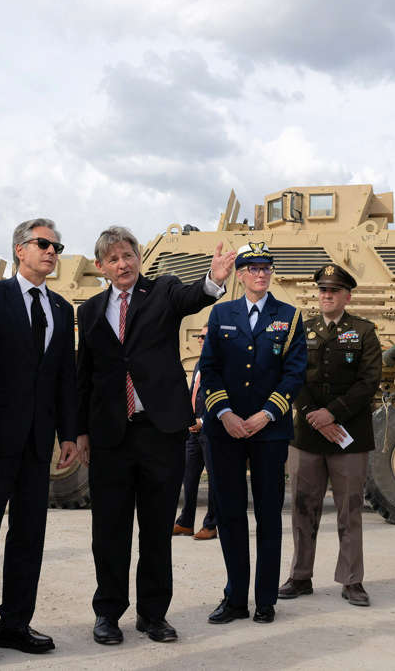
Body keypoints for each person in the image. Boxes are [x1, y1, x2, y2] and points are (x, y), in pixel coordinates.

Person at [75, 227, 233, 645]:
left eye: (128, 255)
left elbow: (193, 297)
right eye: (113, 259)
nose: (122, 264)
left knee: (157, 529)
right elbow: (84, 376)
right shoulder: (89, 311)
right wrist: (79, 432)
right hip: (110, 436)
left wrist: (214, 280)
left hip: (159, 433)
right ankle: (108, 613)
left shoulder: (163, 291)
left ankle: (153, 615)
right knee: (109, 531)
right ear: (101, 267)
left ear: (139, 257)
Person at [0, 216, 77, 661]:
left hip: (38, 443)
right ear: (20, 250)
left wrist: (68, 433)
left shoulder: (62, 309)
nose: (51, 252)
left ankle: (14, 625)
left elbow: (64, 376)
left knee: (29, 537)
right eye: (43, 244)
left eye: (56, 247)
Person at [199, 242, 306, 625]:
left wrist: (267, 414)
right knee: (230, 515)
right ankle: (234, 599)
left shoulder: (289, 317)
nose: (261, 274)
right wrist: (225, 413)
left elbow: (294, 373)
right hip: (225, 430)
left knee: (268, 516)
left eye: (266, 268)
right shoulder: (221, 313)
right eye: (253, 268)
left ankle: (265, 600)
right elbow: (208, 368)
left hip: (269, 432)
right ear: (241, 275)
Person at [278, 265, 381, 607]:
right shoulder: (302, 330)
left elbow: (369, 381)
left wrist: (332, 413)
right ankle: (300, 576)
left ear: (347, 297)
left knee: (349, 510)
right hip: (307, 436)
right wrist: (313, 414)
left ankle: (352, 580)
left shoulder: (364, 332)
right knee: (302, 508)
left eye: (334, 291)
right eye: (323, 290)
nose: (327, 295)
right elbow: (291, 375)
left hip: (349, 435)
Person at [173, 328, 218, 541]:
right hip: (193, 431)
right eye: (198, 336)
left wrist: (204, 421)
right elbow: (193, 392)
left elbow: (220, 396)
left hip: (211, 430)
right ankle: (185, 522)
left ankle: (211, 525)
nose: (199, 340)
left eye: (204, 336)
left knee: (214, 479)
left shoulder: (220, 363)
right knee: (189, 477)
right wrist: (188, 419)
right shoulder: (200, 363)